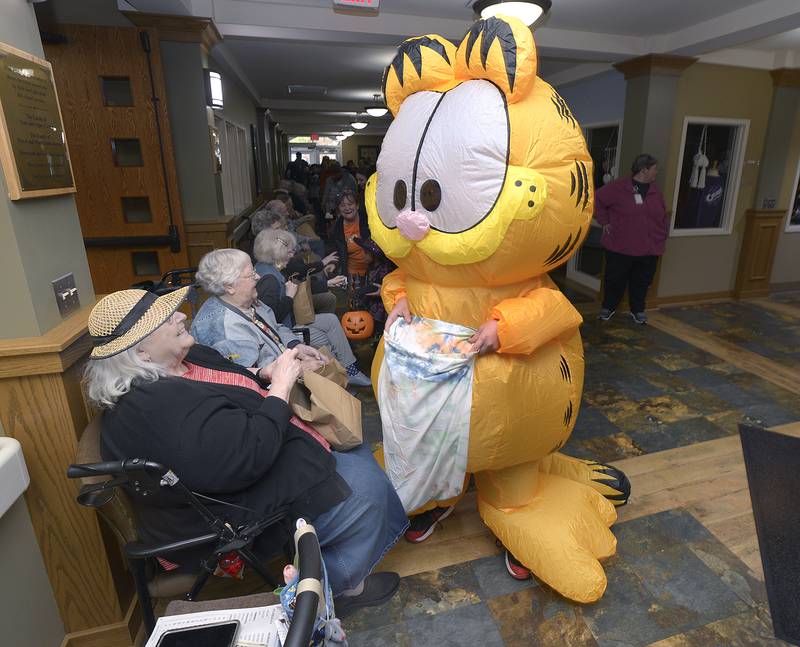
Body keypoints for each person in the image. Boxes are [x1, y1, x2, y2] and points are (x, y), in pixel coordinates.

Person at [83, 287, 406, 613]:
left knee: (358, 454)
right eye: (166, 319)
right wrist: (279, 386)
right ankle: (336, 588)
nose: (181, 315)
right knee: (365, 491)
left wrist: (265, 372)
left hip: (266, 457)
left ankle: (342, 577)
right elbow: (245, 457)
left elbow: (226, 377)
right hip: (234, 516)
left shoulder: (184, 359)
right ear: (141, 354)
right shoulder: (157, 407)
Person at [192, 248, 371, 387]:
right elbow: (247, 379)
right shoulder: (224, 327)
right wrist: (300, 368)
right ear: (229, 286)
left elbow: (276, 327)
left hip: (284, 373)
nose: (258, 276)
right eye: (250, 274)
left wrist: (296, 346)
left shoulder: (247, 301)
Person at [594, 153, 668, 324]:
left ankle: (638, 310)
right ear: (644, 170)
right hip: (621, 246)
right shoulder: (618, 187)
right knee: (615, 279)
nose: (657, 172)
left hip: (649, 248)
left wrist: (662, 233)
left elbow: (661, 214)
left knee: (642, 281)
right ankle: (608, 308)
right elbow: (597, 200)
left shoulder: (655, 191)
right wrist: (604, 222)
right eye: (655, 169)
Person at [330, 190, 371, 310]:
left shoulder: (369, 220)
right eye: (343, 205)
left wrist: (371, 255)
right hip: (352, 273)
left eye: (350, 204)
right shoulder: (337, 229)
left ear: (357, 205)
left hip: (373, 270)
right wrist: (333, 264)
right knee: (355, 306)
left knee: (373, 306)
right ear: (339, 209)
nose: (347, 208)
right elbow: (336, 252)